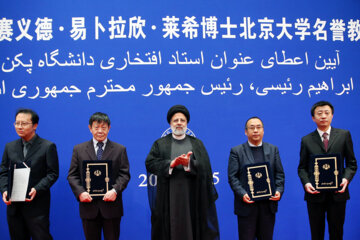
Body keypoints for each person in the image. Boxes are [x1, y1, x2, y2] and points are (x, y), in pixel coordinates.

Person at [145, 105, 219, 240]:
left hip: (193, 197)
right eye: (175, 120)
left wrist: (188, 164)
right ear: (170, 123)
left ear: (187, 123)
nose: (179, 123)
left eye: (182, 120)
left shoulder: (197, 144)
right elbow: (150, 163)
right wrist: (171, 164)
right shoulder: (160, 144)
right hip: (167, 198)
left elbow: (206, 168)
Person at [298, 101, 357, 240]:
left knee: (337, 233)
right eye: (319, 113)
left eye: (327, 113)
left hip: (338, 193)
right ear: (313, 118)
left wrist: (345, 179)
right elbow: (301, 168)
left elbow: (352, 164)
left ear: (332, 116)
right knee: (316, 233)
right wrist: (306, 183)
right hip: (315, 194)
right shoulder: (306, 140)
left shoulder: (344, 135)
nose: (323, 116)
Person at [67, 112, 130, 240]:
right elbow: (72, 175)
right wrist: (80, 193)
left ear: (109, 128)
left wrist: (114, 191)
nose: (100, 131)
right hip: (88, 206)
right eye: (96, 127)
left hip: (111, 207)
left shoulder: (119, 149)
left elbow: (125, 174)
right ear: (90, 128)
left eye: (104, 127)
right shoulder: (79, 149)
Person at [0, 108, 59, 240]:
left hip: (37, 207)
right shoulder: (9, 147)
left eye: (24, 123)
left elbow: (52, 174)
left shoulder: (47, 146)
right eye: (17, 123)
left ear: (35, 125)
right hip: (14, 207)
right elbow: (3, 172)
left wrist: (36, 189)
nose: (19, 127)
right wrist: (4, 190)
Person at [228, 117, 285, 240]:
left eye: (258, 127)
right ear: (245, 132)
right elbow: (233, 177)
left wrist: (279, 191)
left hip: (268, 206)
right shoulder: (236, 151)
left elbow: (279, 174)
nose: (255, 130)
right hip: (247, 206)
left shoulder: (273, 149)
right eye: (252, 127)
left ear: (263, 131)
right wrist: (242, 194)